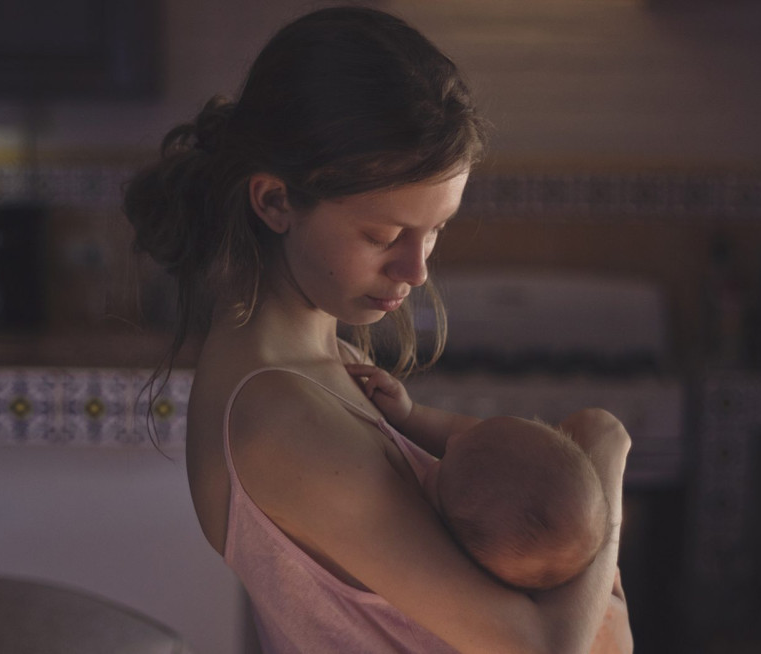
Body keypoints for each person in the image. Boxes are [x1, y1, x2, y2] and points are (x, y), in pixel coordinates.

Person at [124, 6, 632, 653]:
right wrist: (606, 454)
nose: (416, 270)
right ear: (275, 202)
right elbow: (538, 646)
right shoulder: (278, 413)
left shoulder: (316, 359)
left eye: (437, 229)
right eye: (384, 235)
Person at [349, 362, 610, 591]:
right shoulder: (505, 553)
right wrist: (408, 413)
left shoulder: (432, 562)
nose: (449, 441)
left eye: (443, 462)